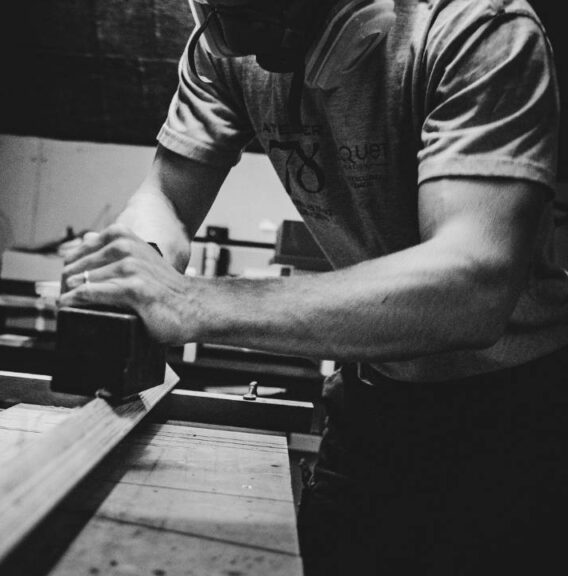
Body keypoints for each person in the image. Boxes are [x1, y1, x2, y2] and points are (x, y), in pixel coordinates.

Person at [59, 0, 568, 574]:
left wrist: (188, 300)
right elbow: (168, 201)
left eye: (252, 16)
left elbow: (472, 286)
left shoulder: (478, 30)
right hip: (374, 402)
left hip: (515, 414)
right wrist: (126, 268)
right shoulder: (226, 39)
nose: (232, 39)